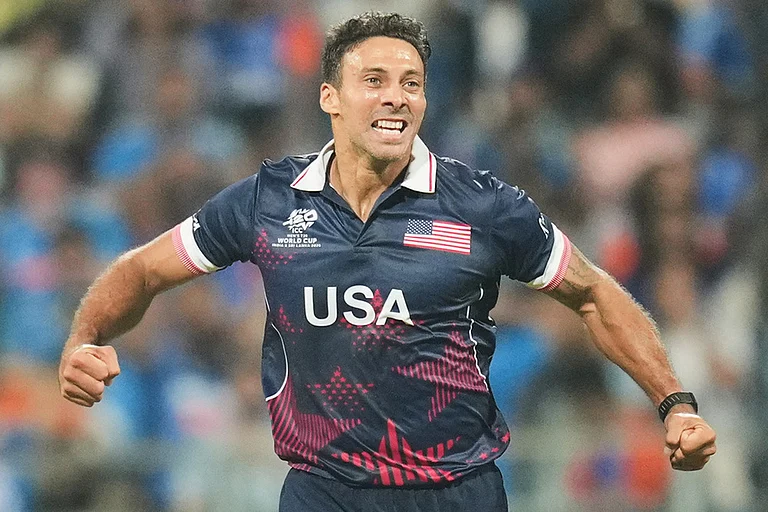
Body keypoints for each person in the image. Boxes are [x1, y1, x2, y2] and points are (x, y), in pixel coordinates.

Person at [58, 12, 716, 512]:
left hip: (457, 490)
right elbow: (141, 270)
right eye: (373, 81)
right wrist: (86, 338)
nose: (396, 97)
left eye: (411, 84)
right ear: (330, 97)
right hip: (323, 491)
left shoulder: (485, 206)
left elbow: (594, 294)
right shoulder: (267, 201)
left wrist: (675, 404)